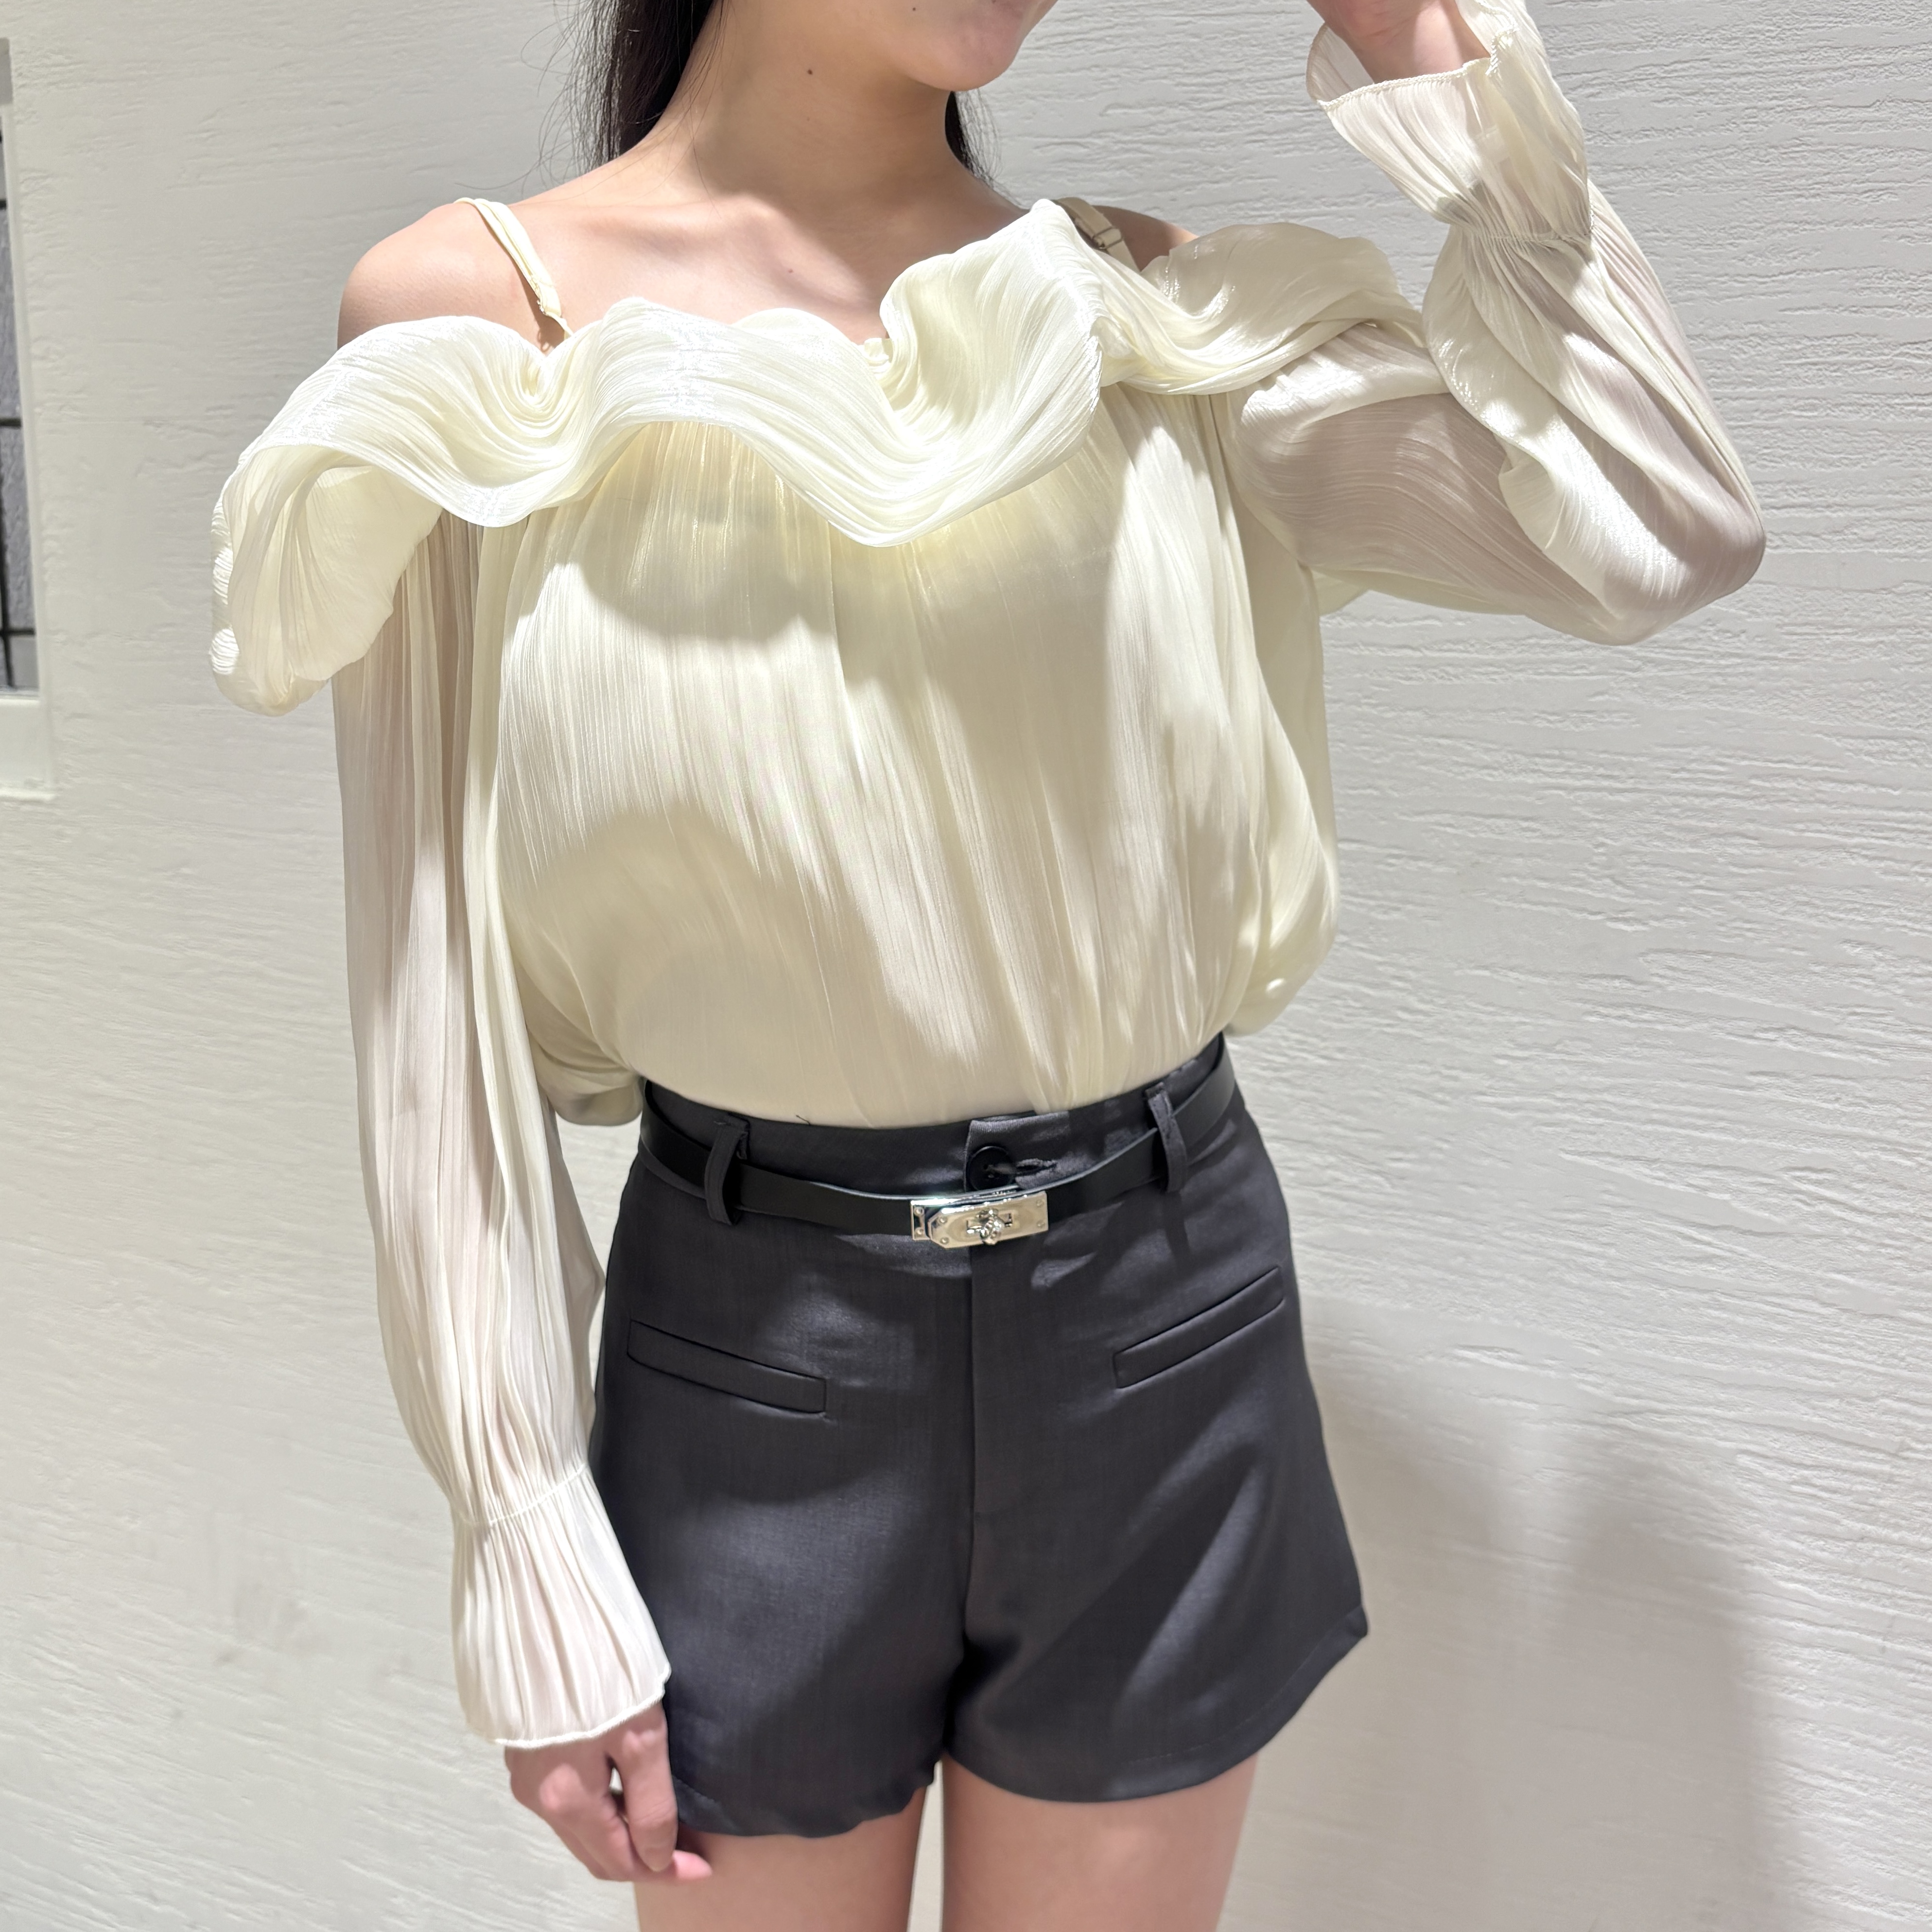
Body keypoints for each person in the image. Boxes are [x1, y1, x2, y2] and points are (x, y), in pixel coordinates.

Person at [210, 0, 1762, 1923]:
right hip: (755, 1358)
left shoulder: (1141, 316)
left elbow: (1655, 522)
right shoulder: (481, 325)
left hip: (1163, 1321)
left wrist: (1421, 38)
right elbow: (424, 988)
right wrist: (518, 1524)